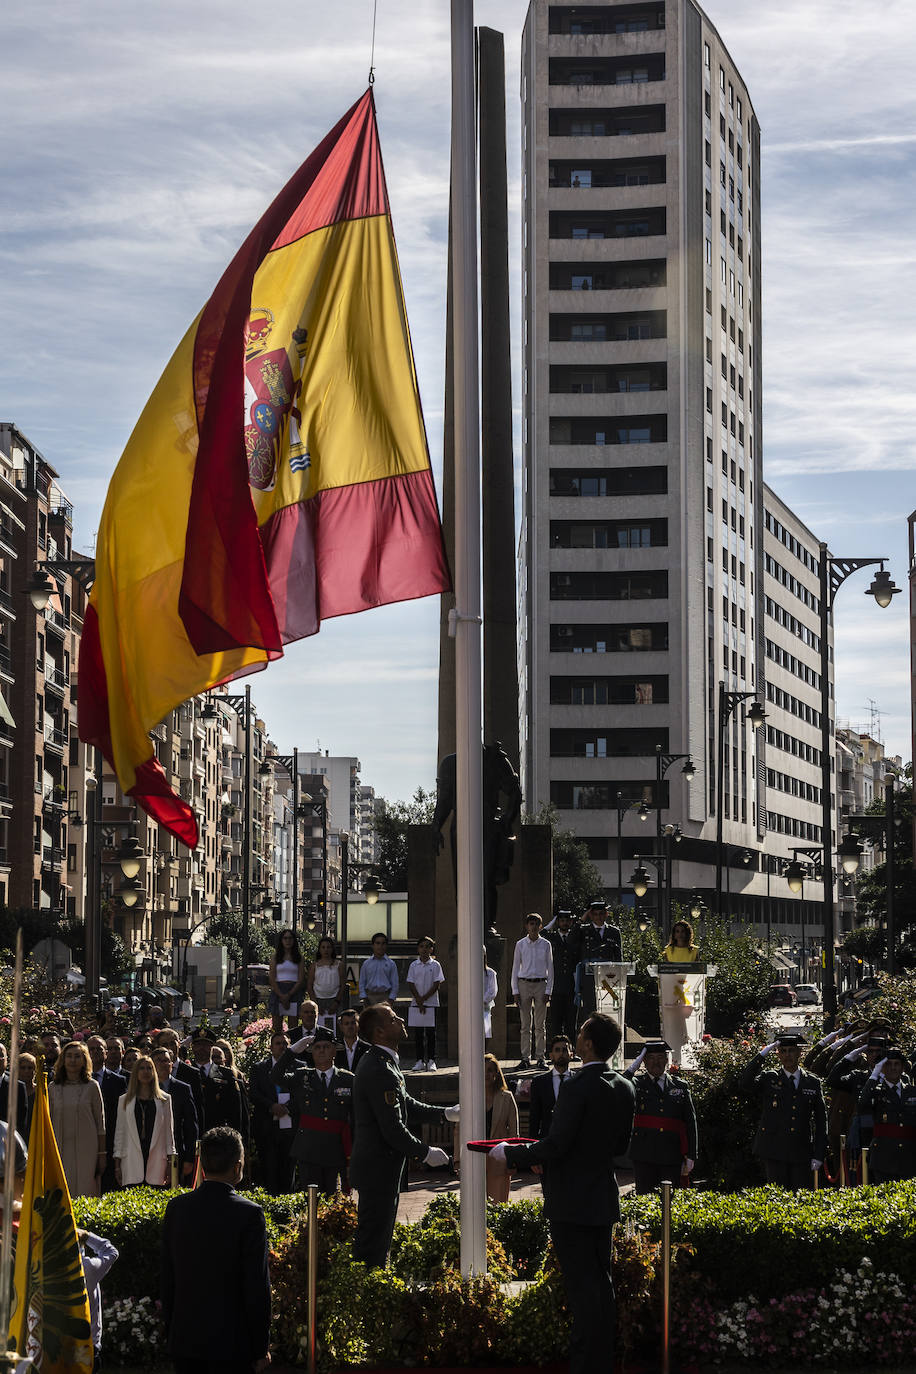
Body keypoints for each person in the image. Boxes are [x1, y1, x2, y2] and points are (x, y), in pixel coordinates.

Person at [494, 1014, 636, 1374]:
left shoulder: (575, 1087)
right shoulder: (624, 1086)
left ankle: (586, 1364)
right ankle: (602, 1360)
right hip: (602, 1196)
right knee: (601, 1284)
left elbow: (555, 1145)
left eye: (581, 1032)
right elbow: (620, 1146)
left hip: (571, 1200)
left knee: (582, 1289)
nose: (576, 1036)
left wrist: (509, 1153)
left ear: (587, 1044)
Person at [349, 1001, 458, 1267]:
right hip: (378, 1170)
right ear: (379, 1033)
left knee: (379, 1237)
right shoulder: (379, 1068)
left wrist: (443, 1114)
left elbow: (406, 1103)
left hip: (382, 1169)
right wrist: (425, 1152)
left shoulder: (385, 1063)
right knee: (373, 1243)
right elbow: (392, 1128)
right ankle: (367, 1296)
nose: (401, 1021)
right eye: (393, 1019)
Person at [160, 1126, 271, 1374]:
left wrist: (171, 1332)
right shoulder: (250, 1214)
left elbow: (168, 1279)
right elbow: (257, 1285)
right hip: (233, 1344)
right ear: (238, 1167)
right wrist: (261, 1346)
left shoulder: (177, 1208)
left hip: (186, 1339)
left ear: (201, 1165)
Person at [738, 1031, 827, 1189]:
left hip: (801, 1150)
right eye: (783, 1051)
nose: (787, 1055)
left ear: (799, 1053)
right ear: (778, 1054)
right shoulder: (770, 1078)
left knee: (801, 1199)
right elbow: (746, 1083)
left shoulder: (812, 1082)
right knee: (777, 1198)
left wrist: (819, 1154)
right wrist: (762, 1054)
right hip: (774, 1150)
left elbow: (821, 1121)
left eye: (791, 1050)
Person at [273, 1027, 355, 1195]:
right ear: (311, 1052)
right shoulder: (302, 1076)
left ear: (334, 1050)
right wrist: (292, 1051)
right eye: (317, 1047)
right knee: (311, 1201)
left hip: (337, 1149)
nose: (322, 1050)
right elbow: (275, 1076)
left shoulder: (348, 1079)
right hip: (309, 1149)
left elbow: (356, 1115)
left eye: (326, 1046)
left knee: (336, 1200)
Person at [624, 1040, 697, 1193]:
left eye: (659, 1057)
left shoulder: (680, 1085)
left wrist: (691, 1155)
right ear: (644, 1061)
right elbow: (620, 1087)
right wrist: (632, 1067)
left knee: (670, 1202)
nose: (656, 1062)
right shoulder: (636, 1084)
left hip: (671, 1154)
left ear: (666, 1060)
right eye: (650, 1058)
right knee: (645, 1201)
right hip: (644, 1154)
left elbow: (690, 1122)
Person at [49, 1040, 106, 1198]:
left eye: (77, 1056)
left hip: (87, 1148)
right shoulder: (52, 1088)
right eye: (69, 1056)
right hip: (59, 1146)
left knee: (85, 1189)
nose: (72, 1060)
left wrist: (102, 1154)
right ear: (63, 1059)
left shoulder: (92, 1086)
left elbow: (100, 1123)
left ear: (84, 1060)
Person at [114, 1053, 176, 1187]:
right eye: (142, 1068)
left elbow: (169, 1134)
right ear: (135, 1072)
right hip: (130, 1159)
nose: (146, 1072)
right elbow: (120, 1133)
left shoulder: (164, 1099)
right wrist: (117, 1165)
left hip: (157, 1160)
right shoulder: (124, 1100)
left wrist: (171, 1164)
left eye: (149, 1068)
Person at [248, 1031, 297, 1196]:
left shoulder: (299, 1067)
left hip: (290, 1129)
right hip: (267, 1128)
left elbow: (302, 1093)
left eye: (285, 1044)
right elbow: (254, 1093)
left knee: (288, 1169)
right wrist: (271, 1106)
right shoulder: (259, 1068)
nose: (282, 1046)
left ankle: (287, 1205)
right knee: (269, 1169)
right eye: (278, 1043)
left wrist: (287, 1107)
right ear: (270, 1047)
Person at [858, 1047, 916, 1182]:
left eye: (897, 1064)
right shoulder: (876, 1091)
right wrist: (874, 1075)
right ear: (883, 1068)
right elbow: (862, 1105)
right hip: (884, 1158)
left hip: (910, 1156)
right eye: (888, 1064)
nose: (893, 1068)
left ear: (902, 1068)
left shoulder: (912, 1091)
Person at [511, 913, 554, 1070]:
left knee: (540, 1024)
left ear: (541, 926)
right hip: (524, 984)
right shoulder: (520, 944)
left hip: (541, 983)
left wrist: (548, 990)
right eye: (531, 923)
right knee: (525, 1024)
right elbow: (515, 967)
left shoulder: (546, 944)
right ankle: (525, 1057)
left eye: (536, 924)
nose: (534, 926)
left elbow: (551, 968)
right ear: (526, 926)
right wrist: (515, 990)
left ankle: (540, 1057)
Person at [153, 1046, 200, 1186]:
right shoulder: (144, 1088)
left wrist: (190, 1158)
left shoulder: (183, 1089)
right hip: (152, 1153)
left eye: (166, 1060)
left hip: (176, 1153)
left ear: (172, 1065)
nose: (163, 1064)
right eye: (158, 1061)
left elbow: (191, 1125)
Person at [86, 1033, 127, 1192]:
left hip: (111, 1144)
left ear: (106, 1053)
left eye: (99, 1049)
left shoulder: (119, 1081)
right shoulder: (78, 1080)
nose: (95, 1052)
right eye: (91, 1049)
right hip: (86, 1142)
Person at [572, 901, 622, 1023]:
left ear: (606, 915)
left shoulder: (614, 931)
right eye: (595, 914)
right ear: (591, 916)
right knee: (589, 1011)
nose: (598, 917)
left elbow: (618, 957)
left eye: (601, 914)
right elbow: (571, 939)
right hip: (589, 977)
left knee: (607, 1010)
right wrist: (582, 920)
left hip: (609, 977)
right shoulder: (584, 930)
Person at [79, 1226, 119, 1371]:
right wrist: (88, 1236)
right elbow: (112, 1252)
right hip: (89, 1345)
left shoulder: (49, 1268)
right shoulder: (87, 1267)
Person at [482, 1055, 518, 1203]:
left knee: (497, 1207)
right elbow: (459, 1129)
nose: (486, 1074)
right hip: (475, 1160)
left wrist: (513, 1161)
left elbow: (514, 1133)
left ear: (496, 1074)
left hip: (500, 1161)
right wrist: (458, 1161)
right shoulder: (469, 1096)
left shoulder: (507, 1098)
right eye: (482, 1070)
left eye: (490, 1070)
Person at [405, 936, 445, 1071]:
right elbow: (410, 983)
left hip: (431, 1003)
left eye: (427, 946)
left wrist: (424, 999)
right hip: (416, 1004)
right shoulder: (413, 965)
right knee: (418, 1033)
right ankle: (419, 1060)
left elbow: (436, 984)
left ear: (431, 949)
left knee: (431, 1033)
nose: (424, 949)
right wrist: (418, 1000)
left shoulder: (435, 965)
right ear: (418, 948)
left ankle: (432, 1060)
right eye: (421, 946)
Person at [529, 1035, 573, 1140]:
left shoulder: (579, 1080)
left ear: (571, 1055)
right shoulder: (539, 1082)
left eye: (564, 1050)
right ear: (551, 1055)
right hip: (548, 1140)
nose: (561, 1053)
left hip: (573, 1141)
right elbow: (535, 1117)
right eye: (557, 1050)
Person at [547, 911, 578, 1044]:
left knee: (571, 1021)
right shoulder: (552, 938)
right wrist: (552, 922)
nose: (565, 923)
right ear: (558, 922)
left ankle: (571, 1050)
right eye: (561, 920)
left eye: (567, 920)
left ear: (571, 922)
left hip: (571, 986)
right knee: (556, 1022)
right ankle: (555, 1051)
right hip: (556, 986)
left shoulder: (575, 937)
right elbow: (542, 932)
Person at [268, 929, 306, 1034]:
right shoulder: (275, 957)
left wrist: (289, 994)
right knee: (276, 1027)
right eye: (285, 938)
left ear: (294, 940)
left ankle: (292, 1048)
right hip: (278, 991)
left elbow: (301, 978)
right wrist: (281, 995)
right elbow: (272, 977)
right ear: (281, 940)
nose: (288, 941)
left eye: (290, 938)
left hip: (294, 991)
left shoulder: (299, 958)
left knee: (293, 1027)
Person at [358, 933, 400, 1007]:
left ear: (386, 946)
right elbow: (362, 982)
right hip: (370, 997)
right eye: (377, 943)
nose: (380, 946)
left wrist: (391, 999)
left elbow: (395, 984)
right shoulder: (366, 963)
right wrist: (364, 998)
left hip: (386, 997)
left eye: (383, 943)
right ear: (373, 945)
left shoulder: (391, 964)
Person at [306, 936, 343, 1015]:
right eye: (323, 947)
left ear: (332, 949)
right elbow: (309, 986)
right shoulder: (314, 966)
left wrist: (337, 1002)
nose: (326, 950)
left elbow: (343, 985)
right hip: (318, 999)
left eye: (328, 947)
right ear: (319, 949)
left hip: (335, 999)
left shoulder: (339, 965)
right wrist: (315, 1003)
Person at [483, 951, 498, 1042]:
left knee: (486, 1030)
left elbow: (493, 990)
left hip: (485, 1006)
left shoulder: (490, 973)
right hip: (471, 1006)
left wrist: (483, 1001)